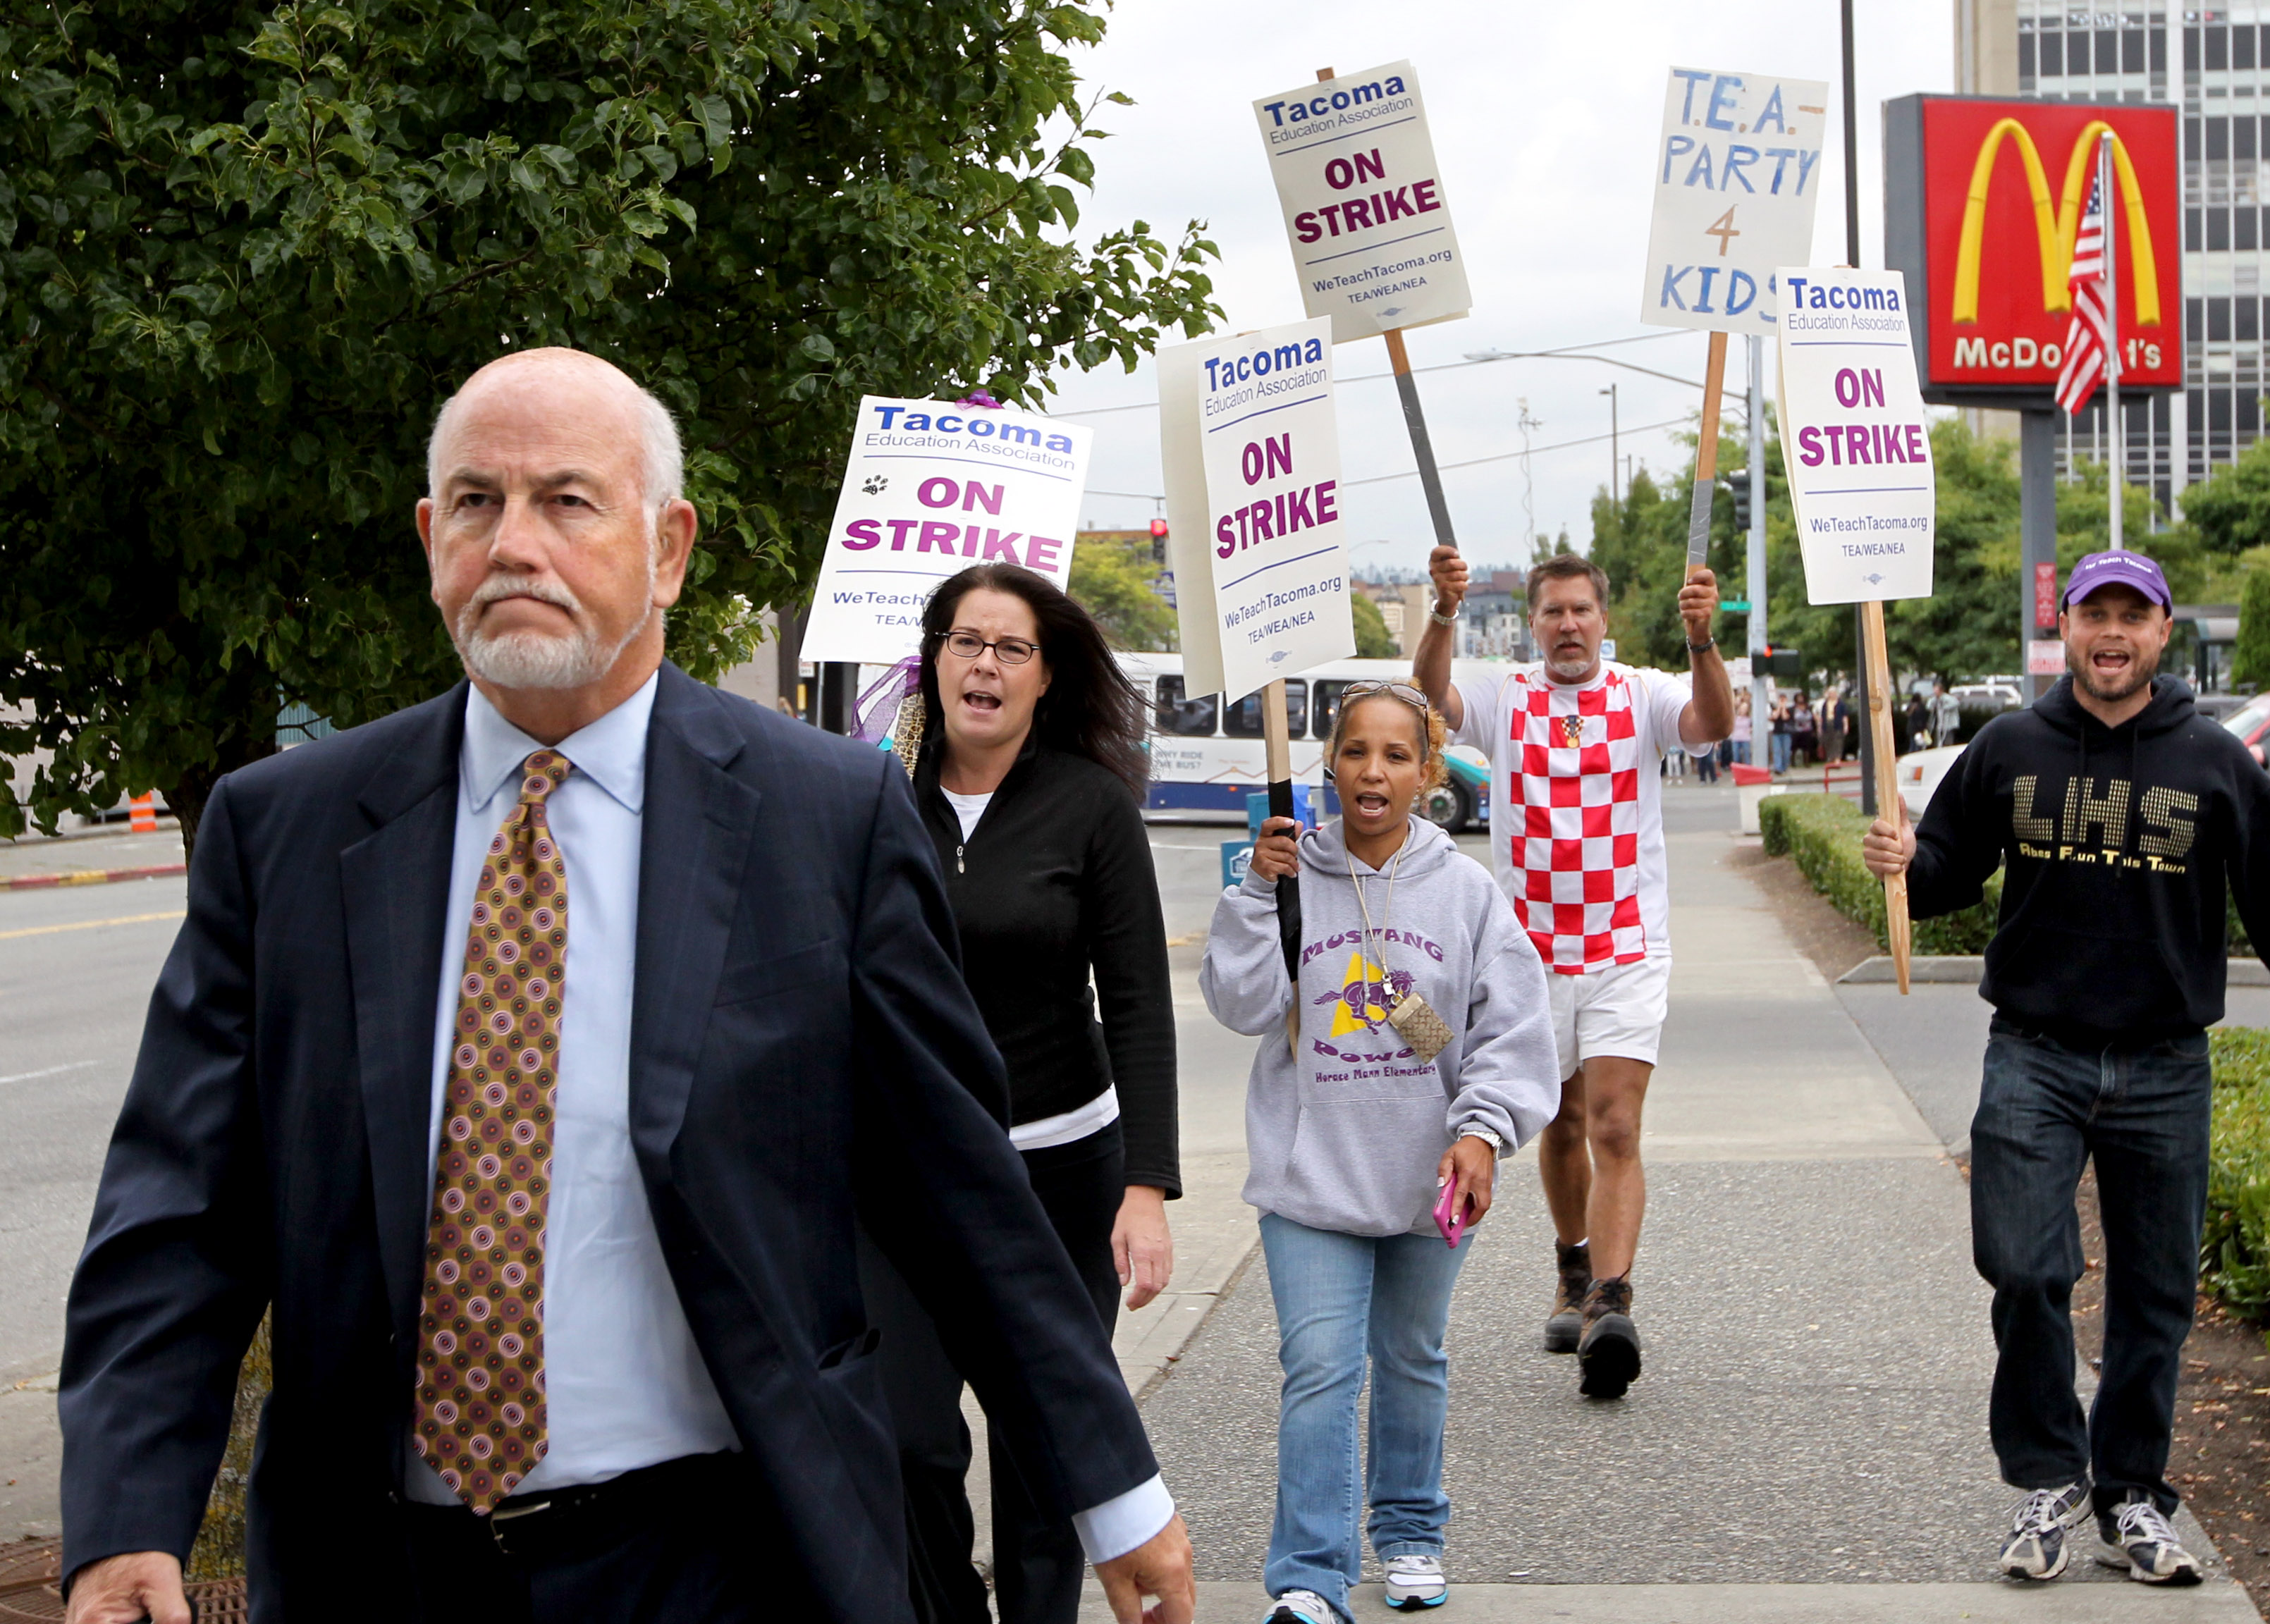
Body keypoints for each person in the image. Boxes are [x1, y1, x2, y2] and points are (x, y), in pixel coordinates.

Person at [54, 349, 1194, 1624]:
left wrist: (1112, 1487)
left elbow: (957, 1186)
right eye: (477, 503)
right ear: (433, 539)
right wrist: (125, 1511)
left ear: (668, 548)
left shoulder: (823, 817)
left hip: (722, 1552)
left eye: (567, 500)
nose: (514, 542)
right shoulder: (289, 833)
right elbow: (179, 1207)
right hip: (378, 1569)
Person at [1863, 549, 2270, 1588]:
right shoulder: (2008, 747)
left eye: (2133, 615)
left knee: (2156, 1294)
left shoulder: (2215, 760)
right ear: (2069, 630)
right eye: (2096, 614)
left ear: (2162, 632)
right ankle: (2050, 1475)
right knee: (2024, 1266)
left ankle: (2129, 1491)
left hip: (2165, 1062)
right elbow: (1949, 871)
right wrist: (1908, 863)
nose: (2112, 633)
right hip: (2033, 1054)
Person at [1201, 683, 1557, 1624]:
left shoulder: (1466, 890)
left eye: (1397, 756)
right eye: (1356, 751)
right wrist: (1255, 892)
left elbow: (1511, 1033)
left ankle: (1407, 1535)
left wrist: (1482, 1132)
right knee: (1319, 1366)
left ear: (1427, 773)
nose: (1373, 771)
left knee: (1411, 1359)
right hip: (1308, 1180)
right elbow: (1238, 1007)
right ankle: (1311, 1577)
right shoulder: (1283, 877)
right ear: (1329, 763)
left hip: (1427, 1179)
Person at [877, 562, 1181, 1624]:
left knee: (1043, 1447)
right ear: (934, 659)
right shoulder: (870, 802)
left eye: (1011, 649)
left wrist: (1145, 1185)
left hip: (1062, 1176)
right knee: (911, 1434)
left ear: (1046, 678)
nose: (985, 666)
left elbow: (1138, 1002)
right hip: (908, 1172)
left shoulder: (1091, 808)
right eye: (966, 641)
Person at [1417, 548, 1732, 1399]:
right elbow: (1429, 703)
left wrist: (1704, 642)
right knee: (1556, 1124)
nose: (1567, 626)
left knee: (1615, 1125)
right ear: (1533, 623)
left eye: (1580, 612)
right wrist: (1444, 613)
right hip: (1529, 955)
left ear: (1604, 617)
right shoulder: (1506, 694)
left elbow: (1711, 725)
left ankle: (1613, 1303)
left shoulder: (1643, 692)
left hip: (1627, 945)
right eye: (1552, 613)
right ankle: (1572, 1263)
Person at [1767, 691, 1792, 775]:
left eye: (1783, 699)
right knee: (1777, 751)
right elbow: (1775, 716)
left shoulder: (1790, 709)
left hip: (1786, 733)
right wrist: (1779, 708)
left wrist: (1783, 707)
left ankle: (1784, 767)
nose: (1782, 701)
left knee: (1786, 751)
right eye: (1780, 699)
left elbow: (1785, 717)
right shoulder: (1774, 708)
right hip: (1777, 733)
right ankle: (1778, 768)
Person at [1932, 679, 1962, 747]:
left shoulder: (1948, 698)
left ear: (1941, 690)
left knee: (1948, 740)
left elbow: (1956, 703)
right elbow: (1929, 706)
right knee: (1940, 740)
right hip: (1941, 725)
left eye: (1936, 690)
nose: (1934, 692)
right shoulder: (1936, 699)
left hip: (1949, 724)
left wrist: (1945, 708)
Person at [1729, 691, 1753, 768]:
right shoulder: (1735, 717)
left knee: (1747, 756)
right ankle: (1737, 772)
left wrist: (1751, 729)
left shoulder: (1749, 718)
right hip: (1736, 738)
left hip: (1746, 739)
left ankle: (1748, 771)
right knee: (1736, 757)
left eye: (1745, 709)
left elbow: (1753, 726)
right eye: (1742, 708)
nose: (1743, 710)